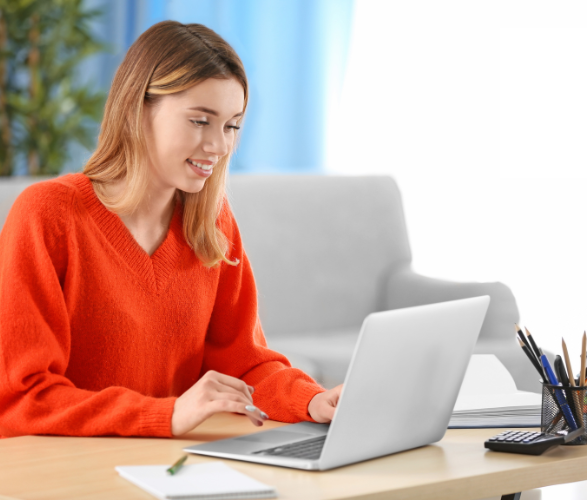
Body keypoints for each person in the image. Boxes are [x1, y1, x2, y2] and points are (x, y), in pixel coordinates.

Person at [0, 21, 342, 438]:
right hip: (71, 470)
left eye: (231, 125)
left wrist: (310, 399)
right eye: (200, 121)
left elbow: (245, 364)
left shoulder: (212, 224)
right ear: (138, 109)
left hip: (170, 467)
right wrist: (167, 415)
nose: (219, 145)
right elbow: (22, 399)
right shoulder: (48, 215)